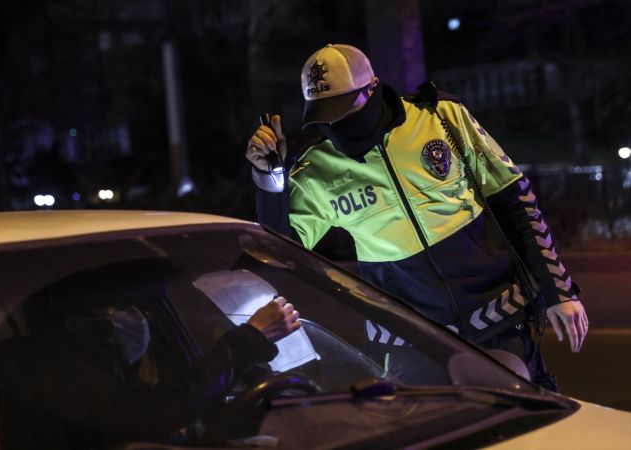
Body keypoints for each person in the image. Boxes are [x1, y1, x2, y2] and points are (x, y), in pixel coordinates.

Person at [245, 43, 588, 382]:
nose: (336, 122)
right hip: (407, 338)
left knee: (512, 414)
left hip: (495, 315)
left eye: (345, 107)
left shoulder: (440, 117)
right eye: (325, 114)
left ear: (373, 87)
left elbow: (515, 200)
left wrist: (558, 289)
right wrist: (270, 179)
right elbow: (280, 251)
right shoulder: (316, 169)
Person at [0, 263, 301, 450]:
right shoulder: (43, 367)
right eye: (122, 304)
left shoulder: (95, 363)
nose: (137, 316)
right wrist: (249, 339)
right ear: (77, 317)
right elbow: (145, 415)